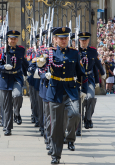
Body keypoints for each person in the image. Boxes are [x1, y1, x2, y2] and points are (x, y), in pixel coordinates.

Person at [44, 27, 87, 164]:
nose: (63, 40)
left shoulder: (74, 53)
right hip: (55, 91)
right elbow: (41, 66)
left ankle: (69, 137)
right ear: (55, 39)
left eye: (66, 38)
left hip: (71, 90)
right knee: (56, 125)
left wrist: (84, 89)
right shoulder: (50, 53)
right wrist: (43, 71)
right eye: (61, 38)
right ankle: (56, 155)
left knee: (75, 114)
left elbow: (81, 72)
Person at [0, 30, 29, 136]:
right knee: (6, 105)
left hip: (16, 77)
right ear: (8, 39)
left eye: (15, 38)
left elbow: (24, 62)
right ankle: (8, 127)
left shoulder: (21, 50)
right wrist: (3, 67)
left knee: (17, 95)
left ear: (17, 39)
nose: (13, 40)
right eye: (11, 38)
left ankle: (17, 112)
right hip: (5, 78)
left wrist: (30, 70)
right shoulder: (2, 50)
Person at [77, 32, 105, 134]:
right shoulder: (75, 51)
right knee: (78, 101)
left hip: (89, 78)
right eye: (82, 40)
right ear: (79, 40)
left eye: (85, 40)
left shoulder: (92, 51)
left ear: (88, 41)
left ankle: (88, 118)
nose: (83, 42)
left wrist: (102, 73)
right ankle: (78, 125)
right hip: (78, 79)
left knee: (90, 97)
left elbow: (97, 63)